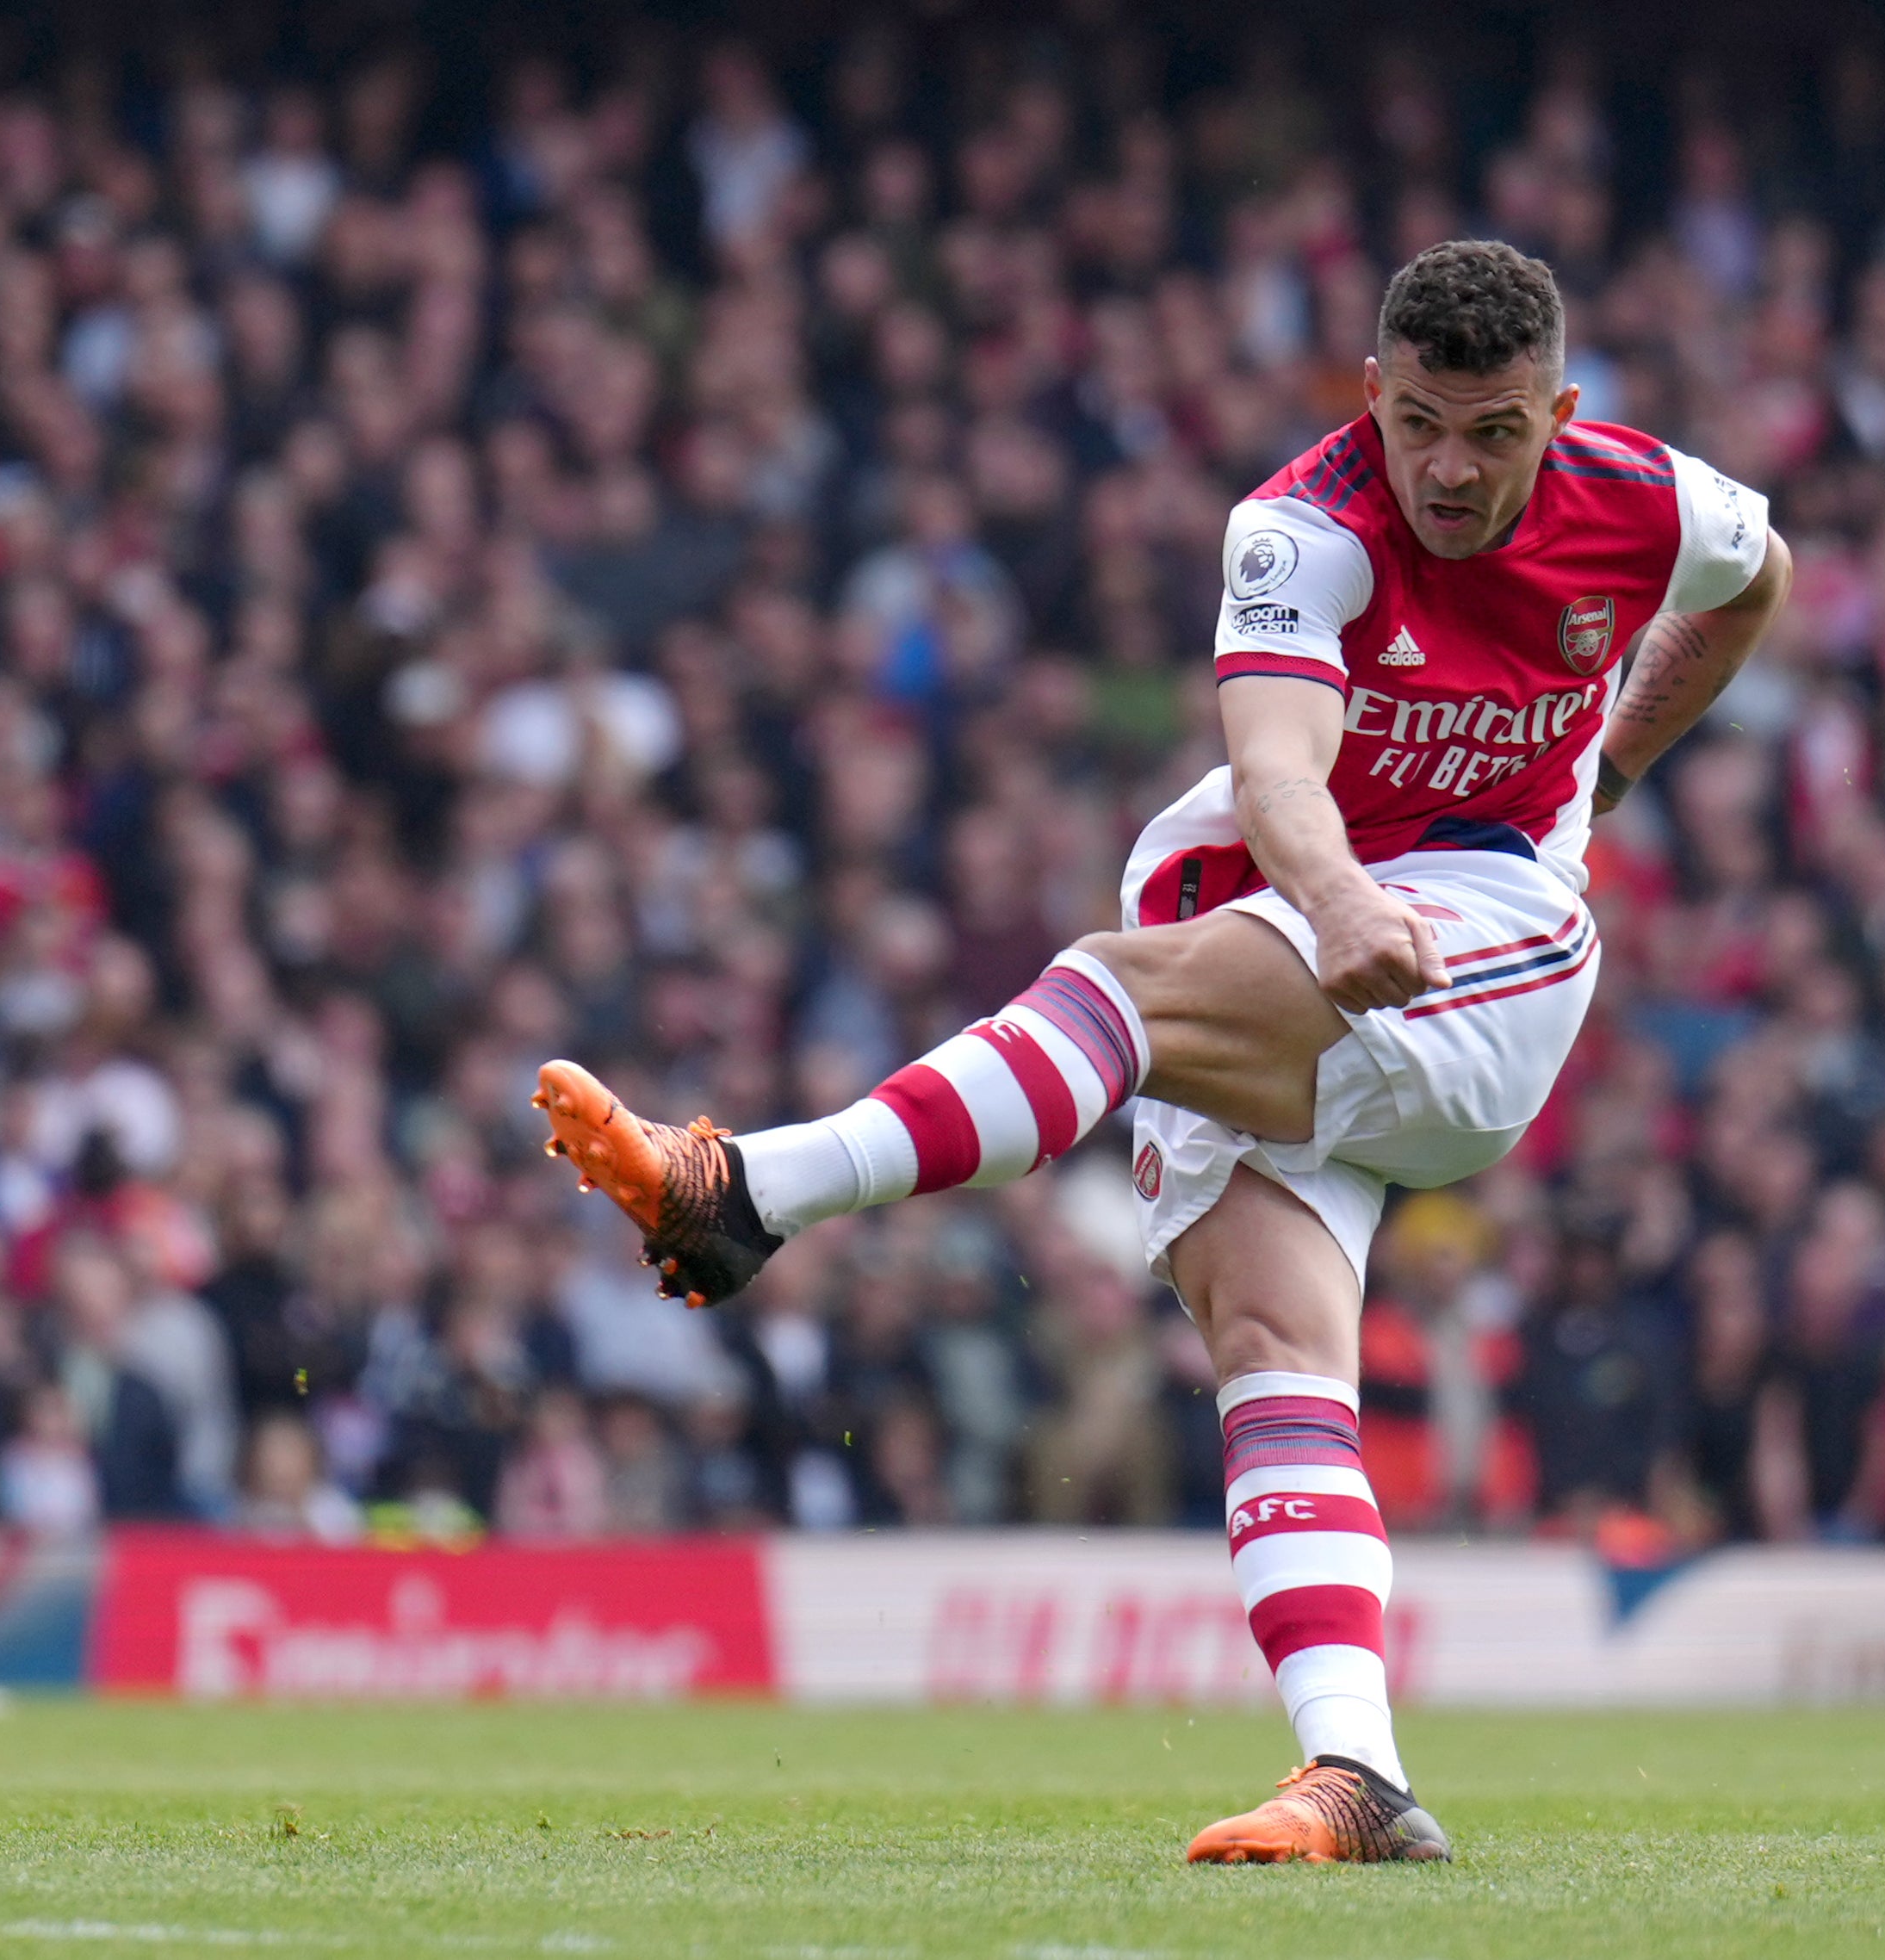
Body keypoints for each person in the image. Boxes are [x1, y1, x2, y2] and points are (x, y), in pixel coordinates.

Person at [536, 239, 1791, 1864]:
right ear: (1370, 395)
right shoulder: (1297, 528)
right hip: (1318, 915)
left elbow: (1753, 579)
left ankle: (748, 1189)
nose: (1448, 469)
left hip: (1489, 937)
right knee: (1274, 1355)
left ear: (1556, 412)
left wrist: (1614, 763)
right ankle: (1355, 1774)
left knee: (1115, 991)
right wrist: (1334, 896)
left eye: (1490, 431)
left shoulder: (1651, 500)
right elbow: (1276, 771)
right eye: (1418, 422)